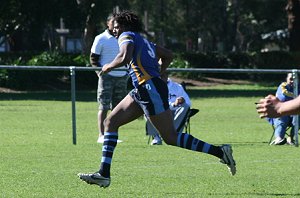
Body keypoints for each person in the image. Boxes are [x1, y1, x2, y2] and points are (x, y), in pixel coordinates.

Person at [78, 10, 236, 188]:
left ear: (124, 26)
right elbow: (168, 55)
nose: (114, 31)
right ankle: (103, 174)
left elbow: (125, 57)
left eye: (116, 27)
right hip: (144, 88)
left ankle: (220, 151)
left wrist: (108, 66)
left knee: (170, 137)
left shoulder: (126, 35)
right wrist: (158, 72)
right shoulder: (143, 40)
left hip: (148, 88)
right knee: (110, 122)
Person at [90, 14, 128, 144]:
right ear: (108, 24)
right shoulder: (100, 38)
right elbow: (93, 58)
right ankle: (101, 135)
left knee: (118, 108)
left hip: (122, 76)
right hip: (107, 77)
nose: (115, 26)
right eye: (113, 23)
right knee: (104, 106)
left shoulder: (123, 38)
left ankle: (112, 135)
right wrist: (99, 73)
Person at [146, 72, 191, 145]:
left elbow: (188, 103)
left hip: (176, 112)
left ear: (166, 75)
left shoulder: (177, 87)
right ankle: (157, 138)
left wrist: (182, 100)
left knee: (185, 106)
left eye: (162, 76)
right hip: (159, 111)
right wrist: (173, 104)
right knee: (148, 107)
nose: (160, 78)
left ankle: (173, 134)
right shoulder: (152, 87)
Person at [268, 73, 295, 145]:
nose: (293, 81)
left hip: (294, 115)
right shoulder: (283, 86)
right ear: (286, 79)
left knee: (297, 118)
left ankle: (291, 138)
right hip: (281, 113)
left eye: (295, 79)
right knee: (282, 117)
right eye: (291, 79)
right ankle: (279, 138)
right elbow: (283, 97)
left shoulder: (298, 87)